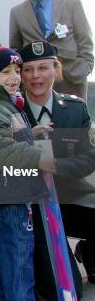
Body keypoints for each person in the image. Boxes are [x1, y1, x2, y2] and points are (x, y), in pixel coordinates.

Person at [0, 46, 55, 300]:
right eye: (5, 71)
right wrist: (43, 157)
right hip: (9, 195)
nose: (14, 77)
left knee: (11, 255)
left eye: (17, 70)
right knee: (18, 259)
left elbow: (10, 138)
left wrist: (32, 133)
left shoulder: (6, 105)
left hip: (14, 192)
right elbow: (1, 153)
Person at [19, 40, 95, 299]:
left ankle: (88, 251)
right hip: (33, 206)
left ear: (56, 69)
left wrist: (57, 166)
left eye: (43, 67)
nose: (36, 76)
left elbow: (90, 156)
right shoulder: (11, 112)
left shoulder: (75, 109)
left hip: (71, 196)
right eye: (28, 69)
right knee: (64, 288)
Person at [10, 0, 93, 99]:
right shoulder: (17, 12)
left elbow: (85, 39)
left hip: (72, 76)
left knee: (76, 117)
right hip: (37, 82)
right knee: (44, 119)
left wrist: (85, 67)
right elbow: (15, 49)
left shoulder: (71, 3)